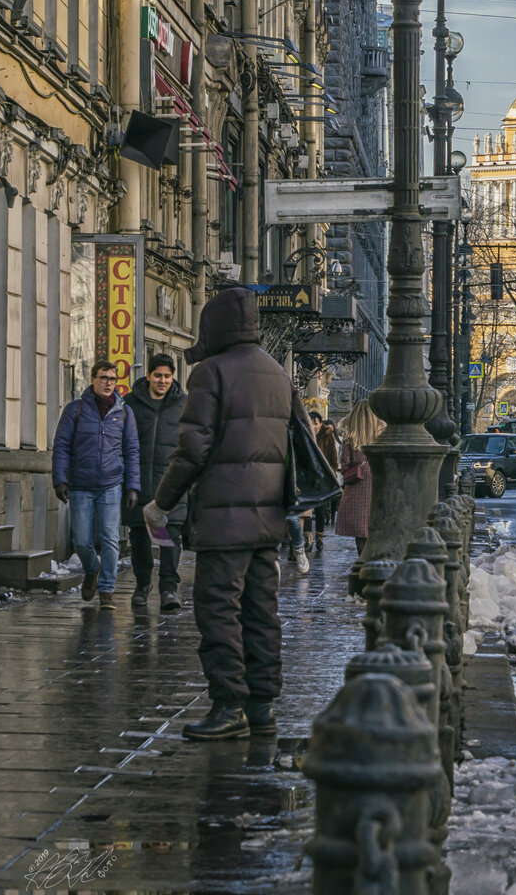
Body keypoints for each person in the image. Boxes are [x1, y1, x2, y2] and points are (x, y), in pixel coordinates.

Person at [142, 286, 307, 742]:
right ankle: (262, 707)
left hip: (223, 518)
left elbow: (191, 449)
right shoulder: (277, 372)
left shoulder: (210, 372)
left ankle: (227, 704)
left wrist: (161, 504)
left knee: (218, 610)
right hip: (268, 517)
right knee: (261, 611)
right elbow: (301, 438)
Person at [52, 360, 141, 610]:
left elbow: (132, 450)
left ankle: (107, 590)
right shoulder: (76, 409)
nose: (108, 383)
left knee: (110, 538)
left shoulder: (124, 412)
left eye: (112, 379)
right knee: (81, 540)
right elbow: (61, 446)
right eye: (103, 378)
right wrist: (60, 479)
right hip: (80, 484)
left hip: (111, 484)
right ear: (93, 379)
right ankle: (92, 569)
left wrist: (133, 486)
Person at [123, 354, 187, 612]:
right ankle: (142, 584)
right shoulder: (129, 404)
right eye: (158, 375)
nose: (162, 380)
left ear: (173, 378)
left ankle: (169, 589)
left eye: (167, 376)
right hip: (137, 484)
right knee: (139, 536)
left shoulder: (183, 405)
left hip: (170, 485)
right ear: (148, 375)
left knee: (169, 537)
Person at [335, 400, 383, 557]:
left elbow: (344, 464)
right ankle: (375, 561)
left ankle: (362, 563)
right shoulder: (382, 435)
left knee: (360, 531)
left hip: (356, 487)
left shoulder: (350, 438)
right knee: (375, 527)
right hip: (378, 485)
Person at [314, 414, 343, 543]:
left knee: (320, 506)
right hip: (307, 477)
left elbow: (334, 460)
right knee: (305, 511)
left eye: (316, 423)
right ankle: (306, 538)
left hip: (323, 477)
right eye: (311, 422)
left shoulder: (328, 437)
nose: (313, 426)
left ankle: (319, 534)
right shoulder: (303, 435)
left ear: (320, 424)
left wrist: (329, 472)